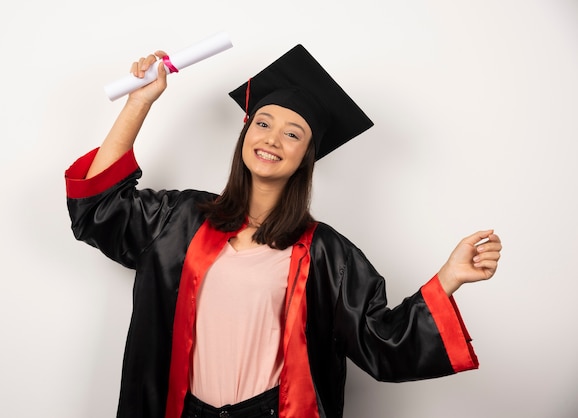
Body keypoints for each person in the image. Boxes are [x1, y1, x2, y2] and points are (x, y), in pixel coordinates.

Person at [65, 44, 502, 418]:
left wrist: (449, 278)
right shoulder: (179, 219)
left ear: (306, 155)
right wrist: (140, 101)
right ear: (245, 134)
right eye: (263, 123)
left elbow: (380, 341)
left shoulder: (328, 254)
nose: (272, 139)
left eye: (292, 133)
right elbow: (98, 206)